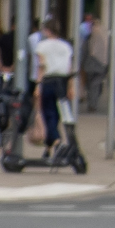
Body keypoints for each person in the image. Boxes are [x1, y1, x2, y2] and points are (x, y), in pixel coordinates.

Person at [33, 18, 76, 148]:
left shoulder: (42, 46)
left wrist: (37, 85)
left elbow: (41, 67)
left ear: (47, 30)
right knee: (60, 112)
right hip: (62, 81)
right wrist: (71, 87)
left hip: (48, 80)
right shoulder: (66, 46)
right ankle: (50, 145)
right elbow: (69, 68)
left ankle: (55, 140)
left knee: (48, 111)